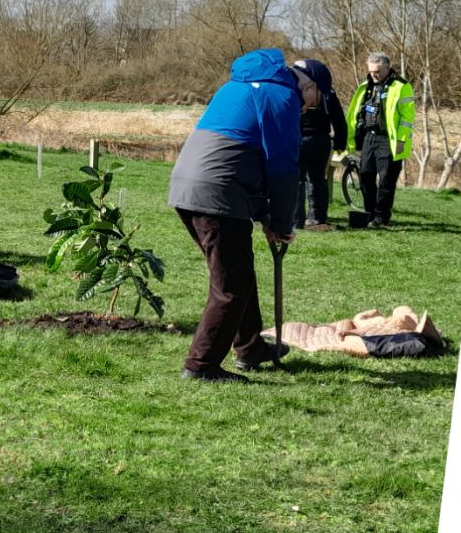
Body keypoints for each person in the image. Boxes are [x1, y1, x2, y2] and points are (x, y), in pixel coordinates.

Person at [167, 49, 319, 382]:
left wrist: (266, 217)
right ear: (309, 87)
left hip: (189, 186)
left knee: (239, 273)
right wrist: (282, 223)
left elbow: (247, 160)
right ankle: (201, 365)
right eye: (312, 103)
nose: (306, 109)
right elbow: (282, 169)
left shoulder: (241, 85)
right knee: (231, 286)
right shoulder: (282, 97)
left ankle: (251, 348)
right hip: (217, 191)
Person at [345, 52, 415, 227]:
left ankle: (381, 217)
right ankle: (369, 213)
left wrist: (401, 140)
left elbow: (407, 117)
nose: (373, 75)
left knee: (386, 180)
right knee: (365, 176)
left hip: (388, 140)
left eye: (377, 71)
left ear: (387, 68)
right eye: (371, 71)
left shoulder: (401, 86)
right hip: (369, 137)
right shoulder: (366, 85)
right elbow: (355, 113)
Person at [293, 57, 346, 231]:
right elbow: (339, 119)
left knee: (298, 181)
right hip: (322, 141)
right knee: (318, 180)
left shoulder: (296, 91)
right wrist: (340, 142)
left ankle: (296, 220)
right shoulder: (328, 93)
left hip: (299, 140)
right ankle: (317, 218)